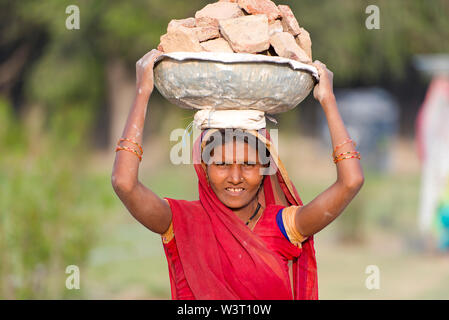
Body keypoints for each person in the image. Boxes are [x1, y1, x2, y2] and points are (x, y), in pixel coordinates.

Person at [111, 49, 364, 300]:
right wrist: (142, 92)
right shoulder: (181, 222)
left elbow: (351, 182)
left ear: (265, 168)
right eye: (221, 164)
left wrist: (328, 100)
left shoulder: (282, 226)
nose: (235, 177)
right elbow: (124, 183)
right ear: (204, 169)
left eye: (248, 165)